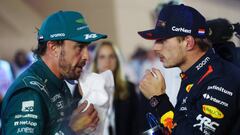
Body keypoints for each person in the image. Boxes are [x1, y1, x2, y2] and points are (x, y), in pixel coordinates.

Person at [138, 4, 240, 135]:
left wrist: (158, 99)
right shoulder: (193, 74)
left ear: (188, 42)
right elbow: (180, 125)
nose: (155, 47)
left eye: (162, 40)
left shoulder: (221, 78)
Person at [1, 10, 107, 135]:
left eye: (87, 47)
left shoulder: (58, 83)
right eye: (79, 47)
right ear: (53, 47)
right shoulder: (29, 94)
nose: (86, 56)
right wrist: (72, 129)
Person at [91, 41, 139, 135]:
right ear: (96, 62)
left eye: (111, 56)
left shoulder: (129, 88)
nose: (107, 61)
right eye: (102, 57)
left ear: (117, 60)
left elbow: (137, 124)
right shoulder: (86, 89)